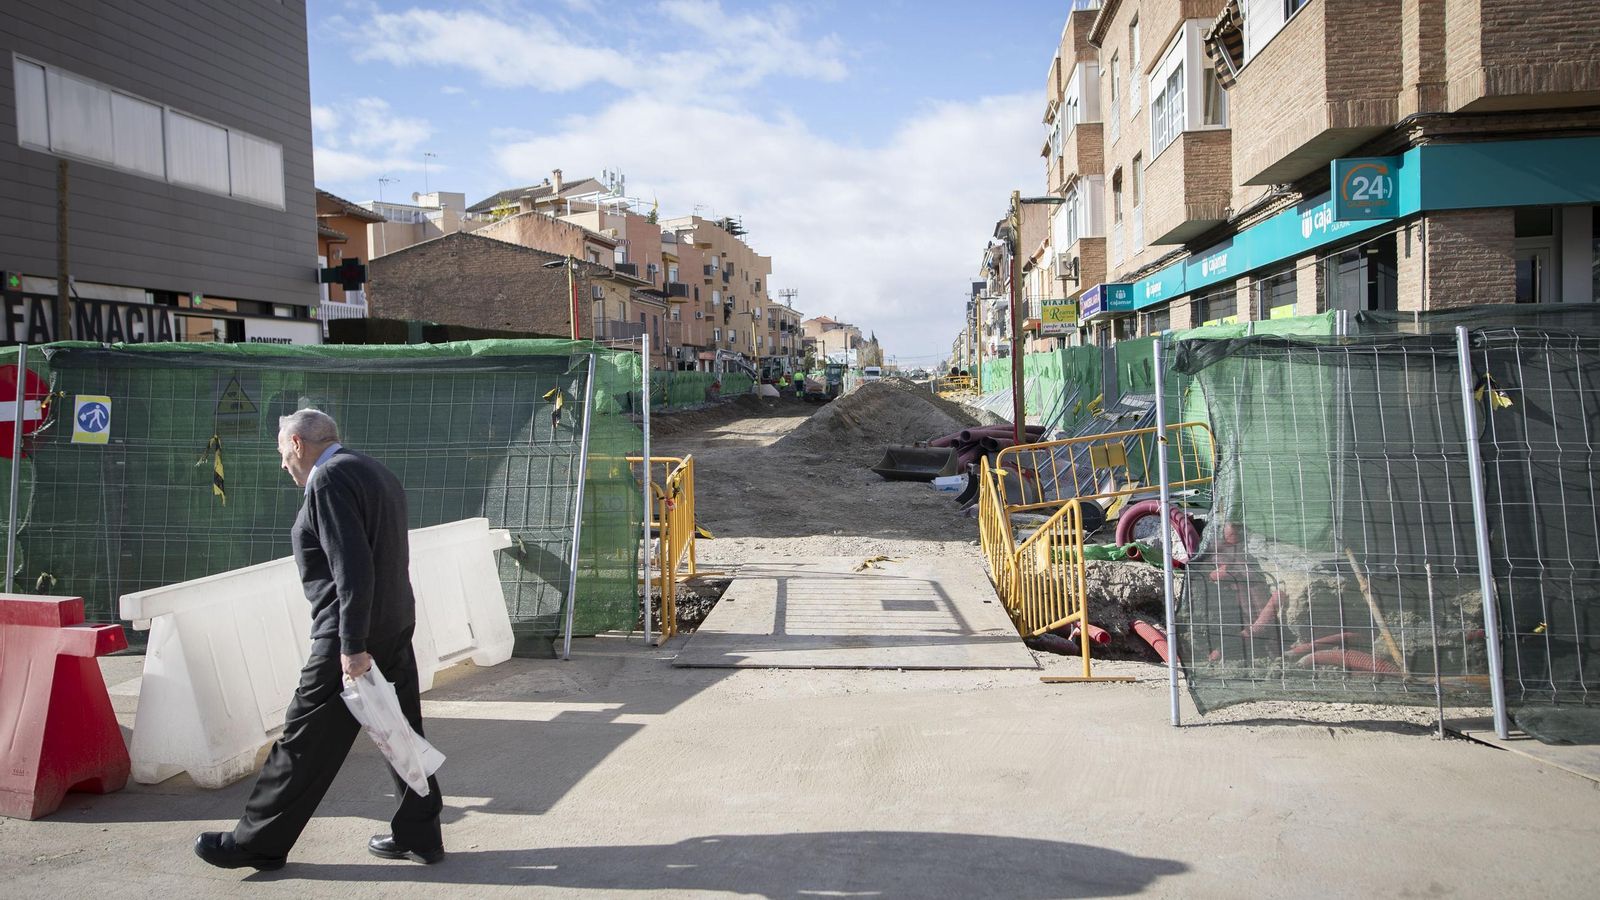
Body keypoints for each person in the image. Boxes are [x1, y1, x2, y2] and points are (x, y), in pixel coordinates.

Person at [194, 409, 444, 871]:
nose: (282, 465)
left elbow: (352, 565)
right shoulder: (374, 470)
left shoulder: (328, 479)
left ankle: (257, 842)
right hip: (392, 623)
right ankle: (420, 834)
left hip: (350, 633)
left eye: (281, 454)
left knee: (302, 741)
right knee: (400, 733)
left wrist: (351, 645)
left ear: (296, 444)